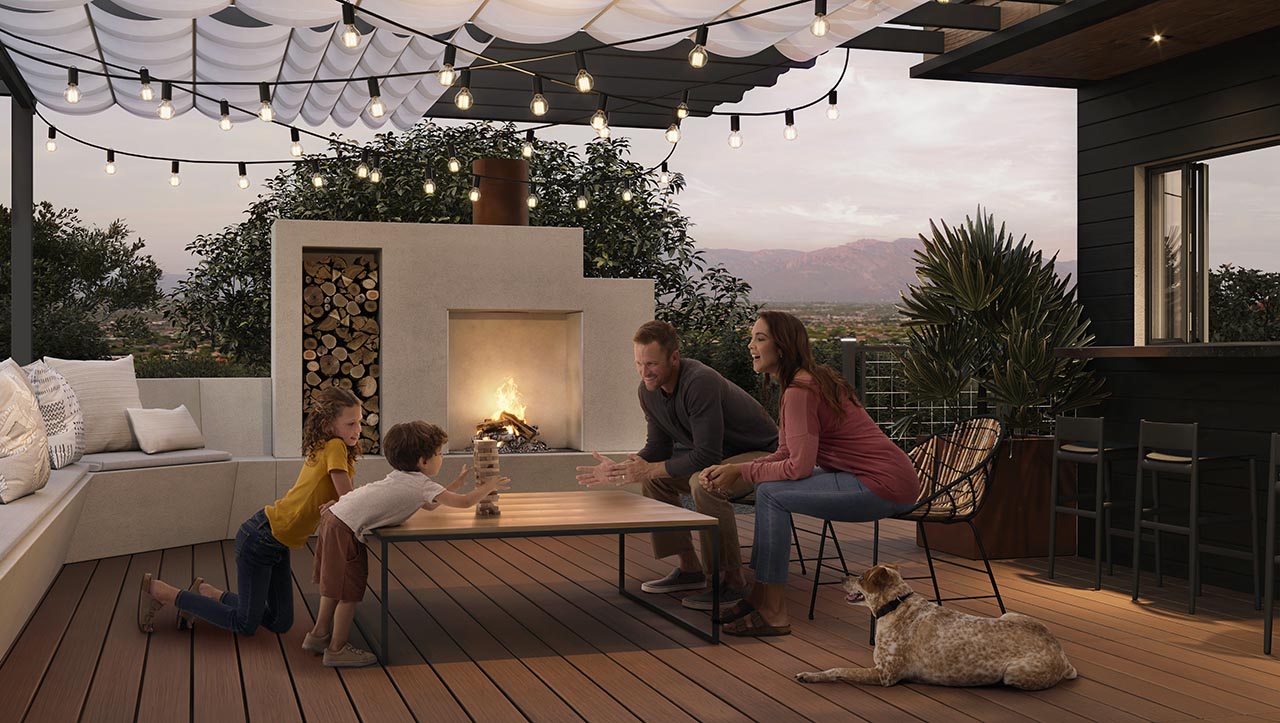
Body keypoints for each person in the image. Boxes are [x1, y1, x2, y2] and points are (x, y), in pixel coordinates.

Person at [700, 311, 922, 636]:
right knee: (768, 489)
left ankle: (774, 610)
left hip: (881, 484)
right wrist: (733, 470)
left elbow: (798, 468)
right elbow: (787, 454)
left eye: (760, 338)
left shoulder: (800, 391)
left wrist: (742, 470)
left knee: (772, 495)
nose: (751, 345)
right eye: (752, 338)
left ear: (784, 347)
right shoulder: (804, 381)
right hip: (879, 477)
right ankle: (761, 594)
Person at [576, 320, 778, 610]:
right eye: (638, 364)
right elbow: (657, 449)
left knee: (705, 481)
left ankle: (732, 580)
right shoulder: (648, 391)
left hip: (761, 455)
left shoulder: (700, 382)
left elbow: (706, 456)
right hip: (719, 458)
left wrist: (649, 468)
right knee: (654, 480)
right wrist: (621, 468)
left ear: (674, 357)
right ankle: (689, 568)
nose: (644, 372)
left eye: (651, 364)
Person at [138, 386, 363, 637]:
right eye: (351, 423)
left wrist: (338, 503)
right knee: (244, 624)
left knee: (280, 622)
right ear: (327, 424)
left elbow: (340, 497)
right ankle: (164, 592)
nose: (358, 430)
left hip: (274, 541)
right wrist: (342, 503)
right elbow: (347, 496)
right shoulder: (335, 447)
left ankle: (209, 593)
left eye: (360, 423)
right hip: (260, 539)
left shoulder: (330, 446)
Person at [304, 420, 509, 667]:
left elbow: (431, 503)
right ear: (423, 461)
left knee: (333, 585)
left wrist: (455, 484)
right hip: (344, 530)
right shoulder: (421, 484)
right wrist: (488, 487)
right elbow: (464, 503)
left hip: (333, 518)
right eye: (438, 454)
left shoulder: (401, 477)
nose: (441, 458)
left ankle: (318, 635)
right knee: (349, 593)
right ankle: (336, 650)